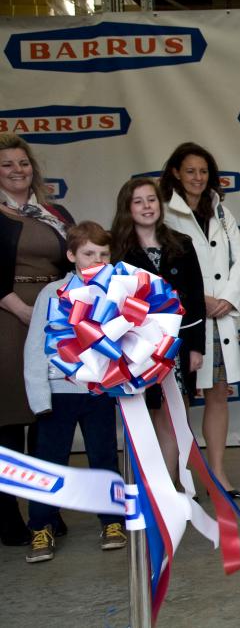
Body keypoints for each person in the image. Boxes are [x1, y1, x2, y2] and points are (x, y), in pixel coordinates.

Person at [23, 221, 127, 563]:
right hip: (57, 393)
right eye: (88, 254)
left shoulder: (118, 293)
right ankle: (41, 525)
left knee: (103, 458)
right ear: (71, 255)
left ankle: (112, 522)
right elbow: (36, 347)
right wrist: (40, 399)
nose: (96, 259)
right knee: (50, 462)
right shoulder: (51, 294)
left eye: (103, 254)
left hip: (98, 392)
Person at [161, 142, 240, 499]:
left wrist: (227, 297)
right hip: (182, 321)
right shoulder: (165, 213)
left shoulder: (220, 210)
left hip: (219, 317)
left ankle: (217, 475)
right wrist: (198, 300)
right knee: (178, 398)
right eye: (190, 171)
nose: (198, 178)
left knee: (217, 396)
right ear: (175, 174)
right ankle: (179, 476)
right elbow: (160, 269)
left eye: (203, 171)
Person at [0, 133, 74, 547]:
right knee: (11, 420)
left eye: (23, 163)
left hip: (54, 318)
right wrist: (22, 310)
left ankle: (45, 512)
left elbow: (77, 257)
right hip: (10, 318)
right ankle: (8, 515)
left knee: (47, 417)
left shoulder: (53, 212)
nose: (17, 170)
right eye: (7, 164)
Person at [111, 178, 206, 481]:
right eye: (138, 201)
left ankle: (171, 482)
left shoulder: (181, 244)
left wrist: (196, 347)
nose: (146, 206)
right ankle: (146, 485)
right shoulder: (117, 250)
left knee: (173, 413)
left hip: (175, 348)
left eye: (151, 199)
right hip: (134, 349)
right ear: (127, 208)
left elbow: (195, 299)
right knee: (144, 414)